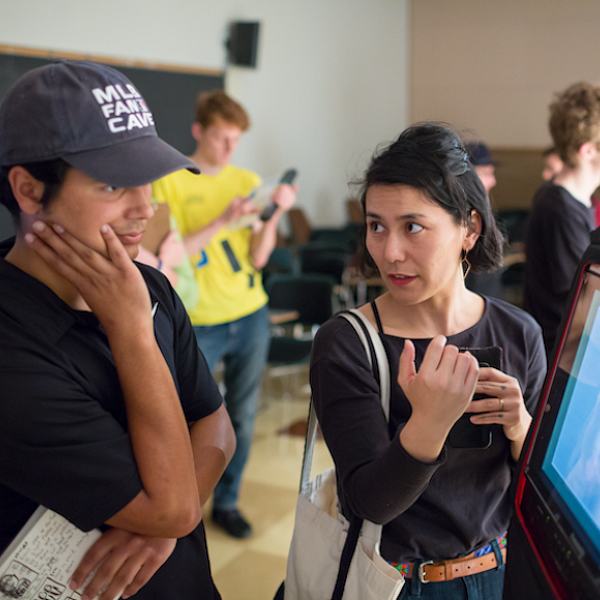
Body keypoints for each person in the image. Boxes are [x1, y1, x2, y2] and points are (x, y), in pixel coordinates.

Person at [0, 60, 236, 600]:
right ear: (29, 191)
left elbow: (217, 425)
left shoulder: (149, 288)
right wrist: (130, 328)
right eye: (113, 184)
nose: (144, 207)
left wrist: (164, 530)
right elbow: (172, 506)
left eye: (147, 180)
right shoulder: (13, 343)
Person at [310, 124, 547, 599]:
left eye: (412, 227)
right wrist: (430, 423)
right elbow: (368, 502)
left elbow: (537, 492)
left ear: (469, 229)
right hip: (397, 583)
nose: (389, 251)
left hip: (500, 571)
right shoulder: (348, 342)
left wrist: (521, 428)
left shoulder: (519, 332)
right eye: (376, 226)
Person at [152, 90, 296, 539]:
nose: (229, 149)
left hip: (250, 313)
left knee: (243, 416)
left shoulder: (246, 178)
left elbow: (256, 258)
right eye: (221, 138)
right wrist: (221, 220)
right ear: (198, 131)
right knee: (181, 419)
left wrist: (272, 216)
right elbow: (164, 255)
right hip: (195, 320)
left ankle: (228, 503)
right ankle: (181, 506)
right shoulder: (170, 181)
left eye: (236, 140)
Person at [523, 82, 600, 358]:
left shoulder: (578, 201)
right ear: (588, 150)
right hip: (561, 358)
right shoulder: (559, 207)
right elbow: (583, 298)